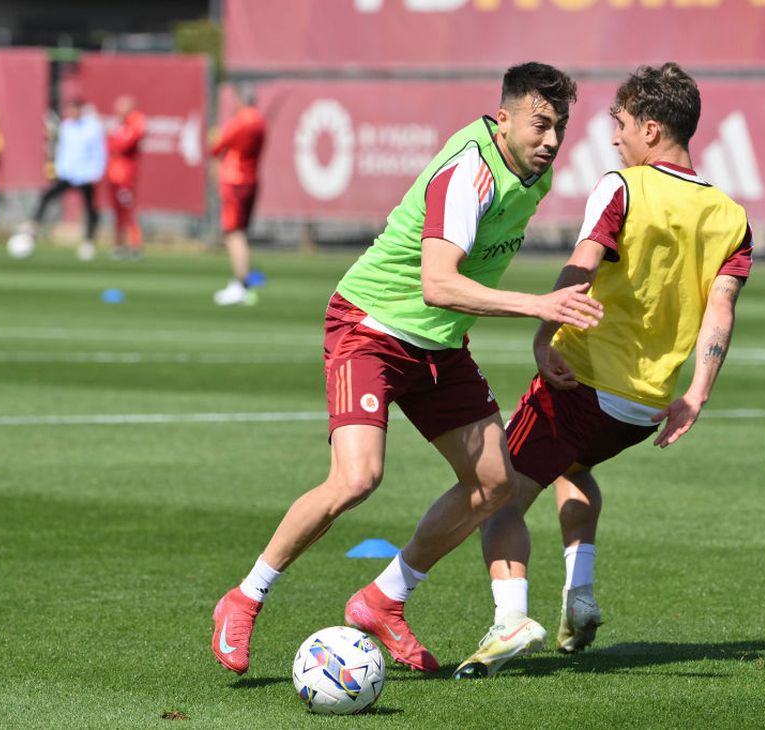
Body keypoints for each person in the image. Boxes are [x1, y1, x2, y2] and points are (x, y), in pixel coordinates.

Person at [211, 62, 598, 676]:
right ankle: (244, 597)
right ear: (504, 118)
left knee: (496, 484)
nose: (551, 140)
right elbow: (439, 283)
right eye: (540, 124)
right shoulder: (469, 171)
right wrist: (539, 307)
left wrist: (539, 334)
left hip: (439, 345)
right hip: (371, 327)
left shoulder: (533, 175)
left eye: (561, 127)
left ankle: (382, 600)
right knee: (357, 478)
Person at [449, 62, 754, 679]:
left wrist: (543, 336)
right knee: (575, 469)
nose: (611, 137)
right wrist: (695, 393)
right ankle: (580, 594)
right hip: (644, 407)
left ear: (648, 128)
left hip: (582, 381)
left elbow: (582, 264)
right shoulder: (731, 216)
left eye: (618, 125)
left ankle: (509, 622)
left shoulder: (623, 186)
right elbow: (720, 310)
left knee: (500, 496)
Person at [23, 98, 106, 261]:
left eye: (75, 110)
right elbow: (62, 150)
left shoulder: (92, 128)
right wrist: (58, 169)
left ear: (81, 110)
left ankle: (88, 241)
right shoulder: (67, 127)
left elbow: (99, 151)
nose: (72, 113)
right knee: (46, 196)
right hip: (68, 173)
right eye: (70, 110)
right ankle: (33, 228)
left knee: (90, 209)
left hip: (86, 175)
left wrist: (96, 172)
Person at [210, 85, 265, 306]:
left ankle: (240, 283)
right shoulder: (260, 121)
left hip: (235, 180)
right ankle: (242, 281)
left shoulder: (242, 121)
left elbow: (217, 146)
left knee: (234, 233)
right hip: (251, 179)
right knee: (239, 232)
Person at [105, 95, 146, 259]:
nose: (117, 110)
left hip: (125, 176)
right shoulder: (120, 124)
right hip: (114, 175)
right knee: (118, 212)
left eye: (121, 106)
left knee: (128, 210)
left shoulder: (136, 121)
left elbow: (122, 144)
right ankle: (119, 245)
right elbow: (111, 145)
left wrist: (114, 142)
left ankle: (135, 245)